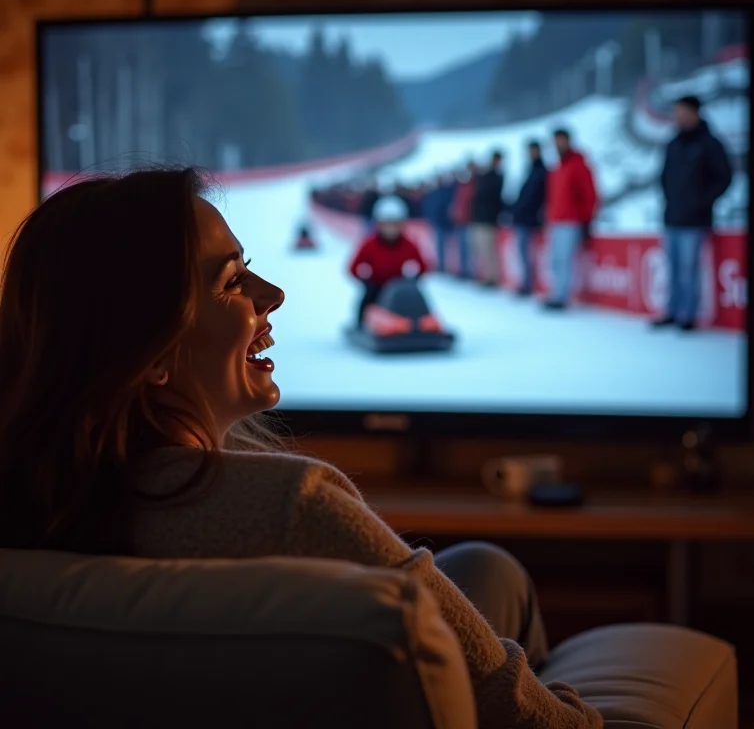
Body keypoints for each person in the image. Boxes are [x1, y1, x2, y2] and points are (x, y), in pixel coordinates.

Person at [0, 167, 602, 729]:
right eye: (233, 282)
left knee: (486, 567)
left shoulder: (35, 499)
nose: (274, 294)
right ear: (151, 353)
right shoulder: (295, 509)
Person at [654, 95, 733, 331]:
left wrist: (702, 201)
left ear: (694, 112)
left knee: (689, 270)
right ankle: (672, 310)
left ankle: (688, 315)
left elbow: (724, 177)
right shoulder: (673, 143)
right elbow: (665, 177)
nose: (678, 116)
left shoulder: (709, 143)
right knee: (673, 269)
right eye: (675, 112)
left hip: (695, 220)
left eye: (681, 111)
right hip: (672, 217)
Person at [348, 194, 427, 328]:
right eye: (386, 224)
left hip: (399, 287)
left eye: (395, 224)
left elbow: (423, 266)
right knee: (367, 300)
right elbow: (353, 267)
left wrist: (413, 280)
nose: (391, 229)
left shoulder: (408, 244)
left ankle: (421, 325)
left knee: (415, 297)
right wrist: (366, 282)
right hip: (377, 287)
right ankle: (361, 324)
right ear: (379, 224)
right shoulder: (369, 244)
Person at [544, 129, 598, 310]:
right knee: (556, 260)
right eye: (556, 141)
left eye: (561, 141)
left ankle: (562, 296)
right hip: (556, 220)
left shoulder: (578, 164)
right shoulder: (558, 167)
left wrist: (586, 220)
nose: (558, 145)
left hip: (571, 221)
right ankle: (556, 292)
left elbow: (589, 194)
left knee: (565, 259)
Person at [510, 141, 548, 296]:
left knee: (527, 253)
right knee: (521, 253)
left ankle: (528, 283)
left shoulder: (541, 171)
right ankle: (525, 282)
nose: (531, 153)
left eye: (533, 150)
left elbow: (535, 197)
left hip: (530, 219)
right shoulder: (530, 170)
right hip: (522, 218)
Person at [471, 150, 505, 286]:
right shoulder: (485, 177)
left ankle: (492, 277)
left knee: (489, 250)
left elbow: (489, 196)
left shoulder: (496, 177)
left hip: (488, 219)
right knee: (482, 251)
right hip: (480, 218)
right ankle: (487, 275)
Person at [422, 174, 458, 273]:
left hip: (448, 223)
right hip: (438, 223)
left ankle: (449, 267)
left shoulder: (448, 191)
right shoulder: (435, 192)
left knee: (451, 248)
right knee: (440, 247)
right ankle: (442, 266)